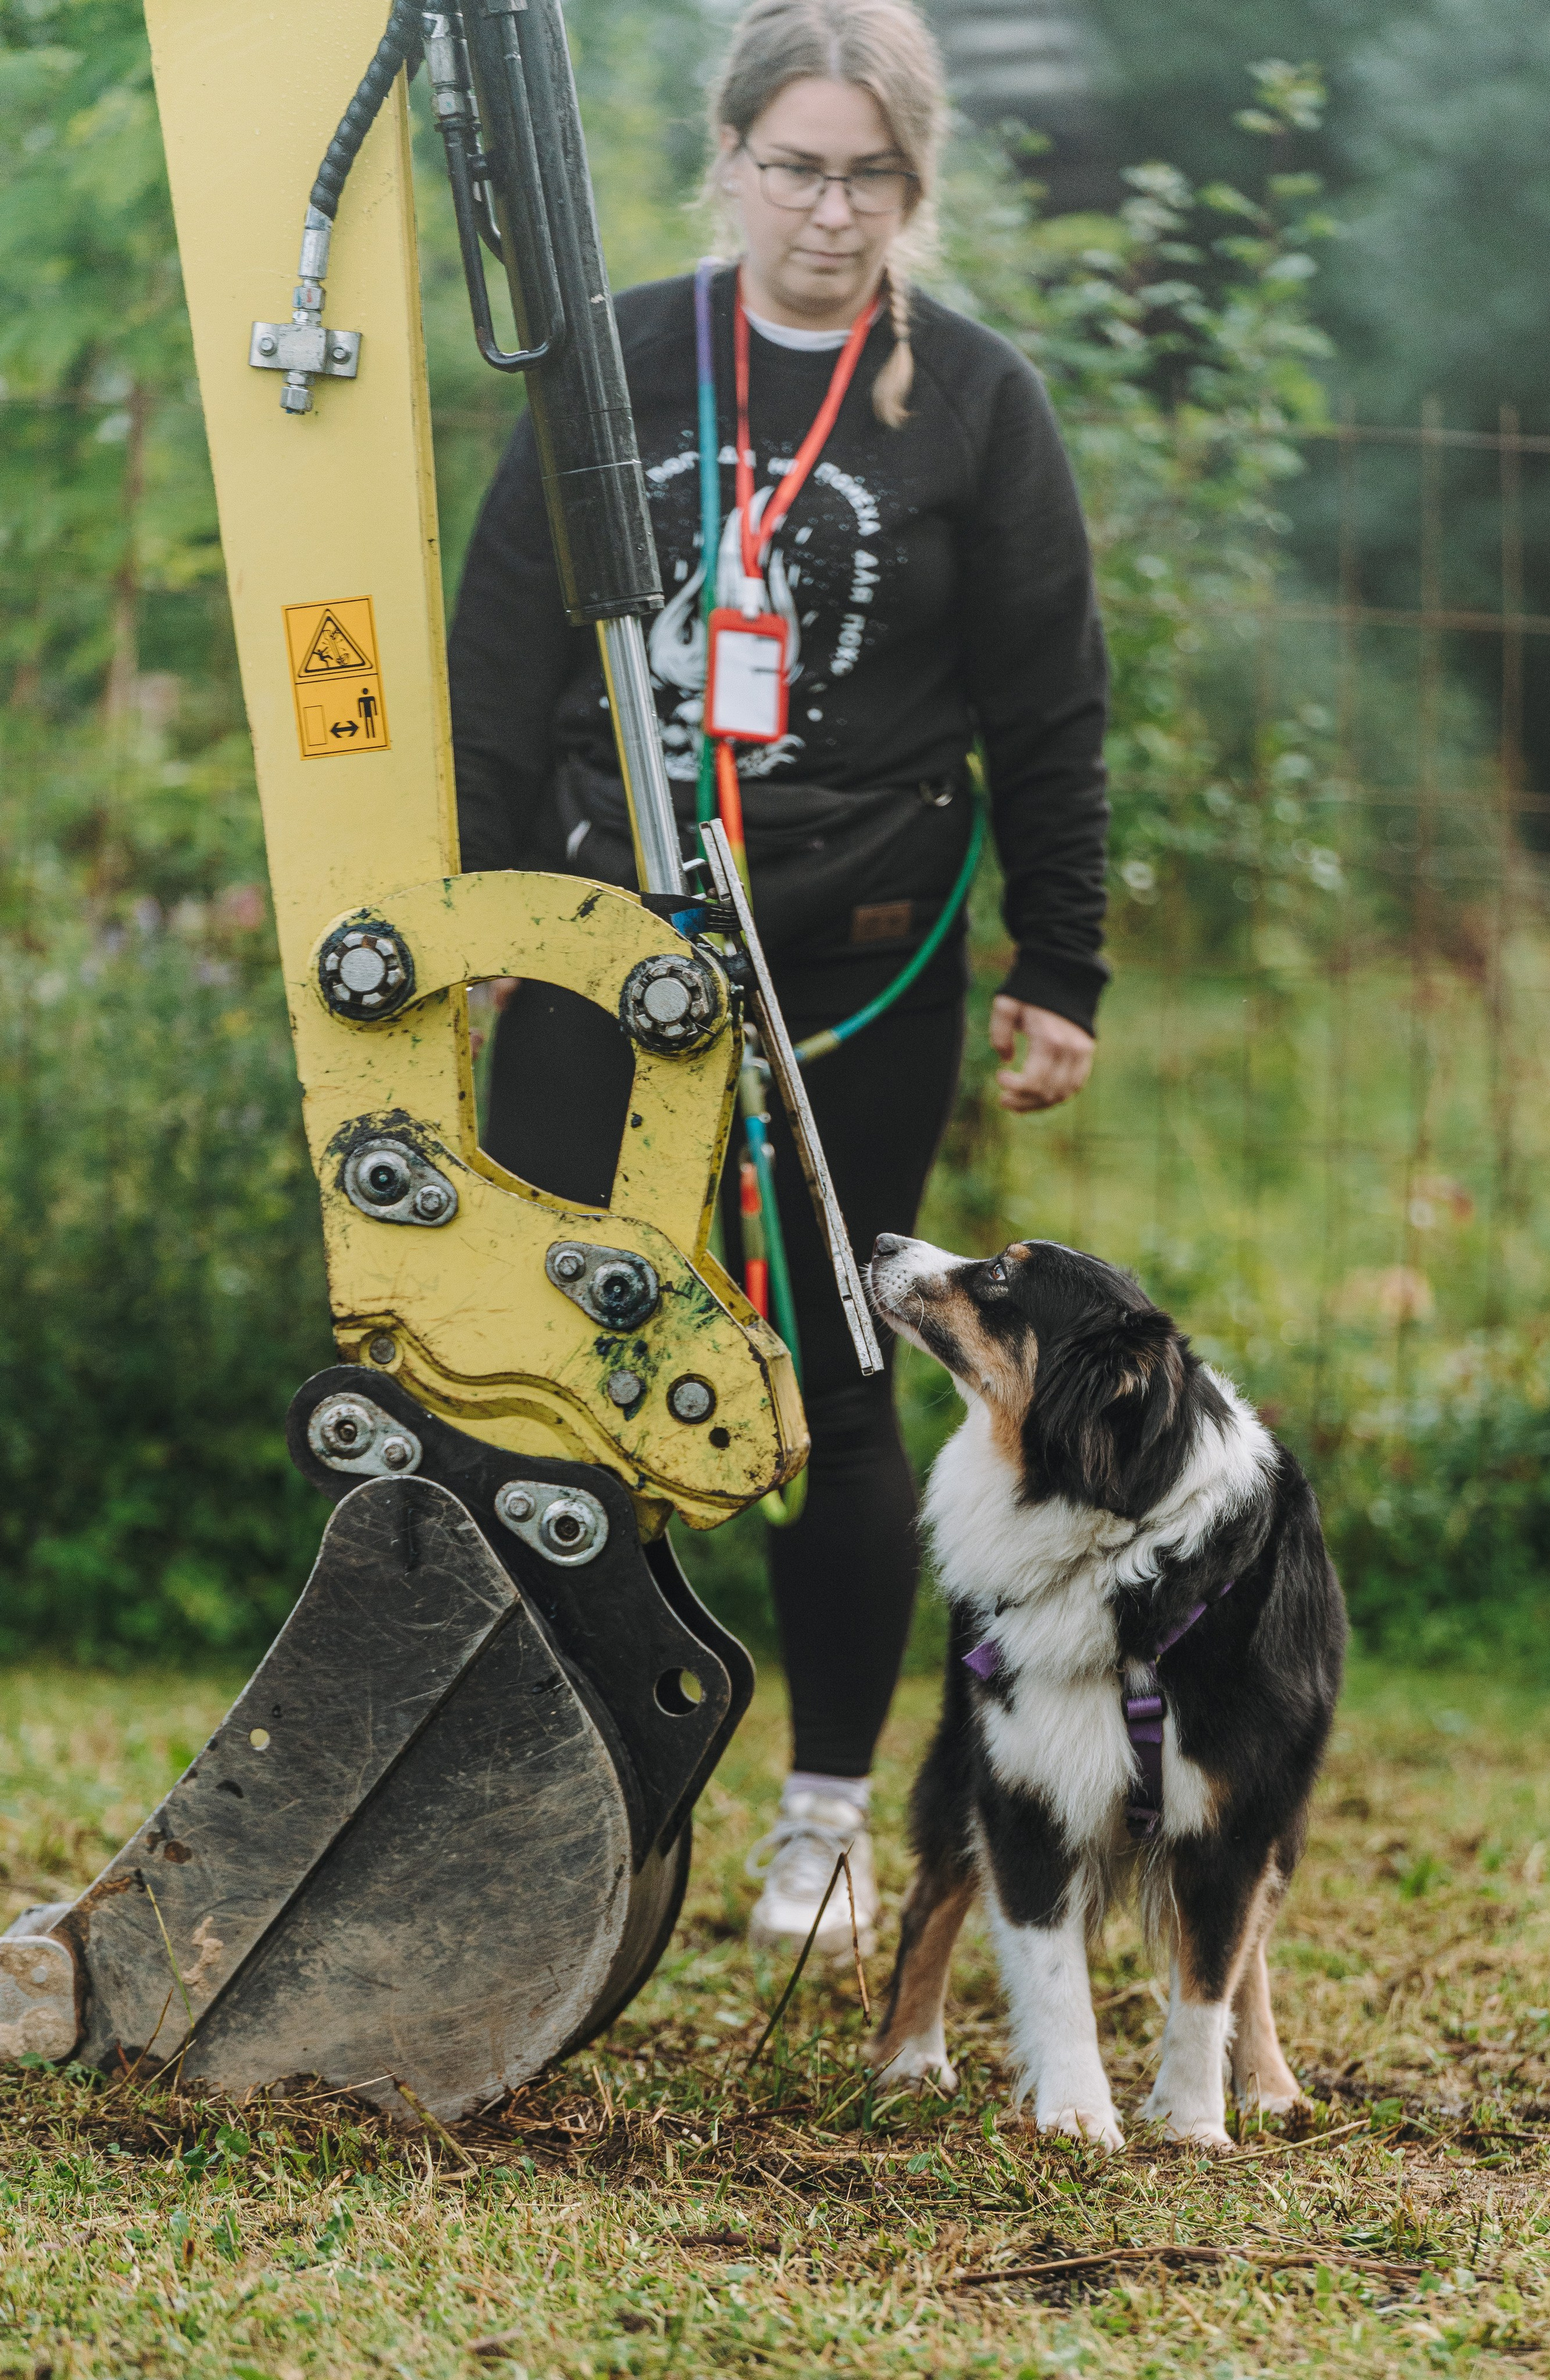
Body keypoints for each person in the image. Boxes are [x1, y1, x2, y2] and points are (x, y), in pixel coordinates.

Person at [447, 0, 1109, 1956]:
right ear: (730, 159)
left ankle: (820, 1819)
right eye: (797, 167)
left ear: (917, 183)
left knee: (838, 1371)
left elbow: (1050, 704)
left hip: (858, 967)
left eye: (870, 176)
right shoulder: (616, 362)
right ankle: (541, 1791)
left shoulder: (974, 401)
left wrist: (1061, 962)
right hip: (601, 946)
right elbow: (500, 657)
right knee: (551, 1364)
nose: (831, 211)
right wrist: (476, 923)